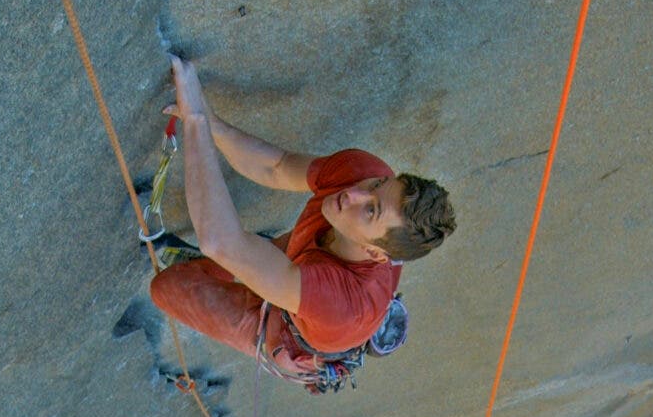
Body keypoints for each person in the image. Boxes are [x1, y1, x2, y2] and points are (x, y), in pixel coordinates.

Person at [139, 57, 455, 386]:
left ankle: (252, 265)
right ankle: (252, 264)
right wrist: (212, 122)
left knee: (168, 288)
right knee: (240, 256)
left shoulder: (340, 303)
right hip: (303, 267)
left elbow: (219, 240)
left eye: (371, 210)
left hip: (289, 329)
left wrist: (196, 120)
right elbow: (276, 166)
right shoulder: (364, 174)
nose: (354, 194)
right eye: (377, 185)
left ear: (377, 254)